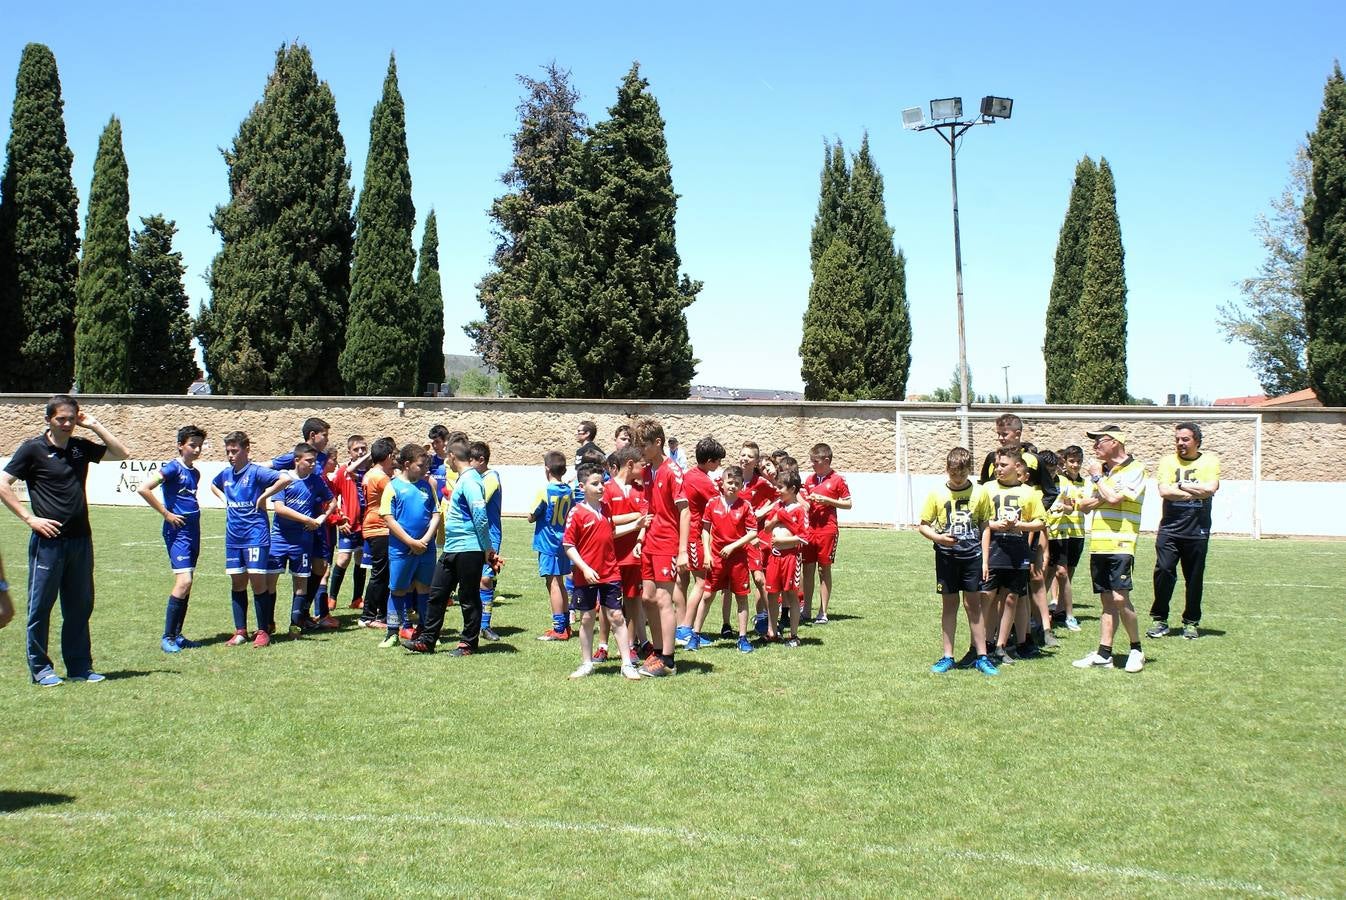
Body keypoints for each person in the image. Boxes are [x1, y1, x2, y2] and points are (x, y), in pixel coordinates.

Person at [0, 395, 129, 685]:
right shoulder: (33, 449)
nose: (68, 423)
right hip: (48, 543)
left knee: (79, 606)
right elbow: (2, 483)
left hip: (81, 540)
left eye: (72, 418)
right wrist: (30, 519)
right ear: (48, 419)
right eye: (61, 418)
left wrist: (94, 425)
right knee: (40, 607)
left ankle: (80, 667)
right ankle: (41, 669)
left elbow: (122, 453)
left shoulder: (80, 448)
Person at [402, 442, 497, 655]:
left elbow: (480, 517)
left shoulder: (471, 480)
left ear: (453, 456)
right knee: (437, 593)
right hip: (453, 548)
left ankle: (467, 644)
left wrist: (487, 548)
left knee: (468, 597)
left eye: (447, 458)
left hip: (469, 548)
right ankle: (427, 640)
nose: (446, 462)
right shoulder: (465, 479)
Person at [1072, 425, 1147, 673]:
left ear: (1115, 442)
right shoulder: (1105, 473)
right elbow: (1083, 505)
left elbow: (1114, 499)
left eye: (1099, 441)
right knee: (1106, 600)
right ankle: (1104, 653)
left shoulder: (1135, 469)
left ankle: (1136, 649)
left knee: (1119, 596)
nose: (1094, 447)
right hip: (1099, 544)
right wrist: (1105, 491)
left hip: (1122, 542)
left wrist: (1098, 481)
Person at [918, 448, 997, 676]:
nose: (958, 478)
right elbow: (923, 525)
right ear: (947, 470)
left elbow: (984, 525)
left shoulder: (980, 493)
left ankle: (982, 656)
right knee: (949, 606)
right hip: (947, 558)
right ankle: (947, 656)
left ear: (969, 470)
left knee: (974, 606)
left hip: (972, 557)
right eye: (954, 474)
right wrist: (939, 538)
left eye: (962, 474)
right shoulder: (936, 494)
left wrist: (985, 560)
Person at [563, 462, 640, 680]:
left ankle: (626, 664)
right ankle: (587, 663)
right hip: (586, 575)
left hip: (610, 572)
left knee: (616, 615)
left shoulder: (606, 509)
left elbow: (611, 533)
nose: (600, 488)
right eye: (595, 484)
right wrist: (585, 568)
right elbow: (569, 546)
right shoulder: (576, 513)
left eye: (602, 483)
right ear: (582, 487)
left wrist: (636, 525)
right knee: (587, 618)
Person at [136, 425, 207, 653]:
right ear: (180, 445)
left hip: (193, 530)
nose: (196, 450)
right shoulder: (171, 469)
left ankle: (177, 635)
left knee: (188, 584)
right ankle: (167, 636)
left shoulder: (194, 473)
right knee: (183, 581)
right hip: (177, 531)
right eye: (192, 445)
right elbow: (144, 488)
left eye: (199, 446)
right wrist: (166, 514)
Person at [1148, 422, 1221, 640]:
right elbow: (1164, 491)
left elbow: (1211, 489)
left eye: (1185, 439)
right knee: (1163, 571)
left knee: (1194, 578)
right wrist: (1194, 492)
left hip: (1197, 530)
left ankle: (1191, 622)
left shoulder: (1210, 461)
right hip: (1170, 529)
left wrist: (1179, 487)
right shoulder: (1167, 462)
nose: (1180, 443)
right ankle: (1159, 619)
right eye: (1178, 439)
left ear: (1196, 441)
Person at [209, 432, 283, 646]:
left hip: (255, 536)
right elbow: (213, 485)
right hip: (233, 537)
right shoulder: (225, 475)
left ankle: (263, 631)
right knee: (237, 582)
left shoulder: (257, 472)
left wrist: (263, 496)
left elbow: (285, 478)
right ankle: (240, 631)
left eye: (235, 451)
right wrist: (224, 498)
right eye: (228, 451)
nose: (231, 455)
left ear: (247, 449)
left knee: (257, 582)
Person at [258, 442, 336, 635]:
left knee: (300, 584)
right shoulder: (284, 479)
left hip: (303, 542)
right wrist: (308, 519)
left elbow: (332, 501)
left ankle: (295, 625)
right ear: (296, 460)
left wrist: (321, 518)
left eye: (314, 461)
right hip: (279, 539)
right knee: (270, 583)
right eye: (308, 461)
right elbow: (279, 509)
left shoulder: (316, 481)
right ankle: (268, 624)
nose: (312, 464)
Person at [981, 449, 1047, 665]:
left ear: (1016, 467)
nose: (998, 469)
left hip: (1017, 551)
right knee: (987, 598)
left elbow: (1040, 522)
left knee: (1011, 598)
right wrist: (993, 524)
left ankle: (1000, 646)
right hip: (993, 548)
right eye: (997, 465)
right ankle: (983, 645)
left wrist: (1020, 525)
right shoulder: (986, 489)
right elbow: (978, 519)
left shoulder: (1029, 493)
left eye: (1003, 465)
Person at [635, 417, 689, 677]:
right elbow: (648, 509)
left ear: (658, 443)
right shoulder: (647, 472)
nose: (640, 450)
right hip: (649, 542)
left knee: (663, 599)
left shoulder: (673, 471)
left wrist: (681, 551)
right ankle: (656, 651)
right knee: (647, 598)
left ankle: (667, 660)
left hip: (667, 543)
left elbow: (685, 512)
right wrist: (639, 538)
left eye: (643, 445)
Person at [382, 444, 441, 645]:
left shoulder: (427, 486)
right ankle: (392, 633)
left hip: (425, 548)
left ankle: (425, 632)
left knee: (425, 588)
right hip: (401, 549)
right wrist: (410, 541)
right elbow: (388, 518)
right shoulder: (393, 487)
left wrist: (425, 540)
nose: (426, 470)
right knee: (398, 589)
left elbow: (436, 514)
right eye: (421, 466)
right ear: (407, 464)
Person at [701, 465, 759, 654]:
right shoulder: (712, 504)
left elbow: (752, 533)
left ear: (742, 485)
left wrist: (733, 546)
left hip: (738, 560)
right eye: (729, 482)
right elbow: (705, 530)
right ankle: (695, 633)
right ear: (722, 483)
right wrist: (708, 554)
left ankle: (742, 637)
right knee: (708, 595)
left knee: (741, 597)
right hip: (716, 559)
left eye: (737, 483)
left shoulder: (745, 506)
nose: (732, 486)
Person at [677, 436, 724, 650]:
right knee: (701, 582)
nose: (719, 465)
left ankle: (680, 626)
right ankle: (686, 628)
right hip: (695, 535)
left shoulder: (689, 475)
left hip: (683, 534)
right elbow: (719, 503)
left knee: (682, 581)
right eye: (718, 461)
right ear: (710, 460)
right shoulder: (703, 481)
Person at [800, 442, 851, 624]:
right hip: (809, 530)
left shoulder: (838, 479)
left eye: (815, 461)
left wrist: (827, 500)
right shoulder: (809, 480)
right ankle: (806, 610)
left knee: (824, 569)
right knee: (807, 569)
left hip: (827, 530)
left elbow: (848, 503)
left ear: (826, 461)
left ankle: (823, 611)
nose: (812, 464)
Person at [762, 464, 808, 646]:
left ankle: (794, 635)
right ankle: (772, 631)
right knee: (772, 593)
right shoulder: (777, 507)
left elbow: (803, 538)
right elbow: (766, 527)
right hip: (775, 557)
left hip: (791, 558)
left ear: (792, 489)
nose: (777, 490)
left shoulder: (799, 510)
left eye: (781, 487)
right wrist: (775, 519)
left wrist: (784, 543)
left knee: (791, 594)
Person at [1045, 445, 1090, 633]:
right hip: (1055, 533)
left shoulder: (1085, 483)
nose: (1075, 465)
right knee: (1058, 573)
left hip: (1076, 532)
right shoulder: (1058, 481)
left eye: (1078, 461)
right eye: (1072, 461)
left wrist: (1071, 507)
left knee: (1067, 574)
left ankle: (1062, 611)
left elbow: (1080, 506)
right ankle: (1059, 609)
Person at [530, 451, 574, 641]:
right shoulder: (568, 491)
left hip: (547, 542)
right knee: (561, 583)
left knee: (553, 583)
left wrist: (534, 515)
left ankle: (558, 629)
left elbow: (531, 515)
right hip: (563, 541)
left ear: (547, 469)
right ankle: (565, 625)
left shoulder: (544, 491)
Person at [358, 438, 397, 635]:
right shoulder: (381, 477)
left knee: (382, 572)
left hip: (373, 524)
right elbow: (396, 495)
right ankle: (368, 616)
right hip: (379, 526)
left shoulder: (370, 474)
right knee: (380, 573)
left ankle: (379, 614)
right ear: (388, 456)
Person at [327, 435, 369, 611]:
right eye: (356, 449)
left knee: (361, 560)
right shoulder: (343, 471)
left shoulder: (371, 471)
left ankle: (357, 599)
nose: (360, 452)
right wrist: (338, 518)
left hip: (366, 524)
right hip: (348, 524)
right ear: (349, 452)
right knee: (343, 559)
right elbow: (329, 496)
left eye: (363, 449)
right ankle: (332, 597)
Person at [469, 441, 505, 641]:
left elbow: (479, 501)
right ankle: (474, 624)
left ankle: (485, 625)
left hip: (490, 536)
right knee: (473, 580)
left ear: (481, 460)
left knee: (485, 579)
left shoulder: (491, 478)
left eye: (471, 460)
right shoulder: (477, 477)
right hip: (474, 535)